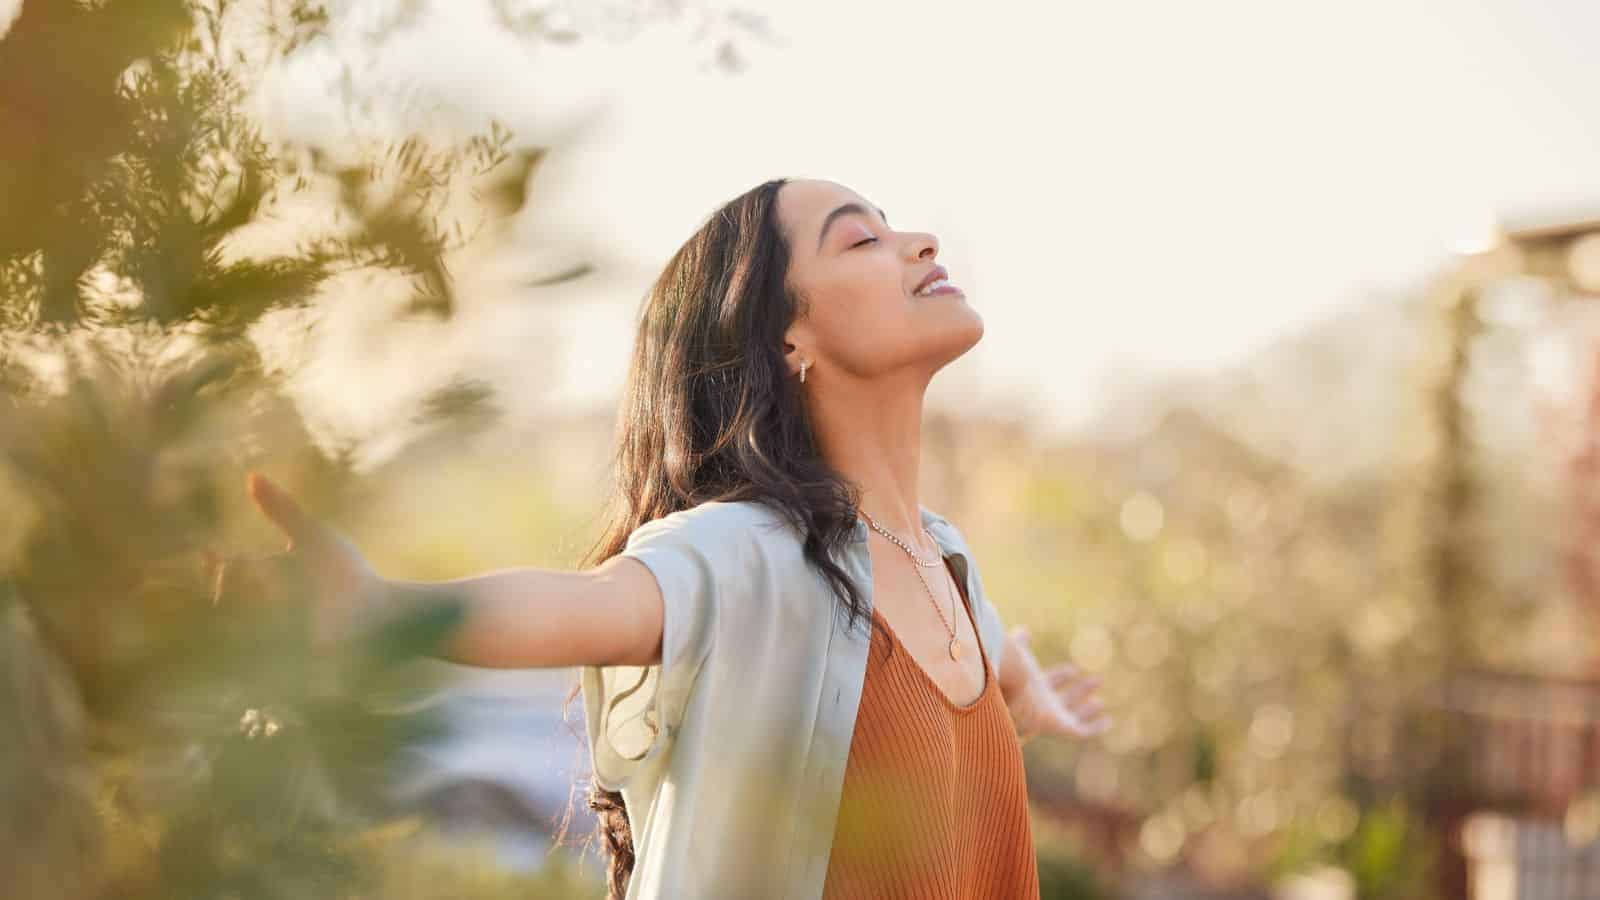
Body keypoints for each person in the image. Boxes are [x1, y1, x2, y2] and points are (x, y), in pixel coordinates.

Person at [232, 178, 1111, 899]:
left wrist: (1022, 698)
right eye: (860, 240)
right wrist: (386, 611)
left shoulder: (946, 565)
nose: (920, 240)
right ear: (786, 335)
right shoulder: (753, 553)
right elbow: (594, 605)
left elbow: (985, 656)